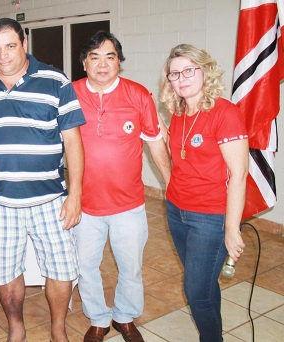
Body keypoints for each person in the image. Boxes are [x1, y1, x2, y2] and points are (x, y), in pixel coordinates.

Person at [0, 18, 85, 342]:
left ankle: (58, 328)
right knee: (4, 271)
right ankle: (16, 327)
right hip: (0, 202)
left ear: (24, 45)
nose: (3, 55)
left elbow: (73, 141)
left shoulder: (55, 81)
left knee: (61, 270)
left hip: (49, 199)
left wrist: (75, 195)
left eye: (10, 46)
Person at [72, 31, 172, 342]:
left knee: (131, 267)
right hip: (84, 206)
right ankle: (99, 318)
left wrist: (171, 185)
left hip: (129, 205)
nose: (102, 64)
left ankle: (125, 316)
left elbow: (156, 144)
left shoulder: (138, 95)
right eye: (95, 57)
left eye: (110, 57)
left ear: (120, 63)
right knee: (86, 267)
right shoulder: (69, 94)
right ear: (85, 63)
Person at [159, 44, 248, 342]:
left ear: (204, 70)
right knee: (206, 287)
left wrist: (231, 229)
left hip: (210, 217)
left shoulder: (225, 112)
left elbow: (239, 174)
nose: (181, 78)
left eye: (188, 70)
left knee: (195, 291)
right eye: (174, 74)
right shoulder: (180, 112)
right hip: (176, 210)